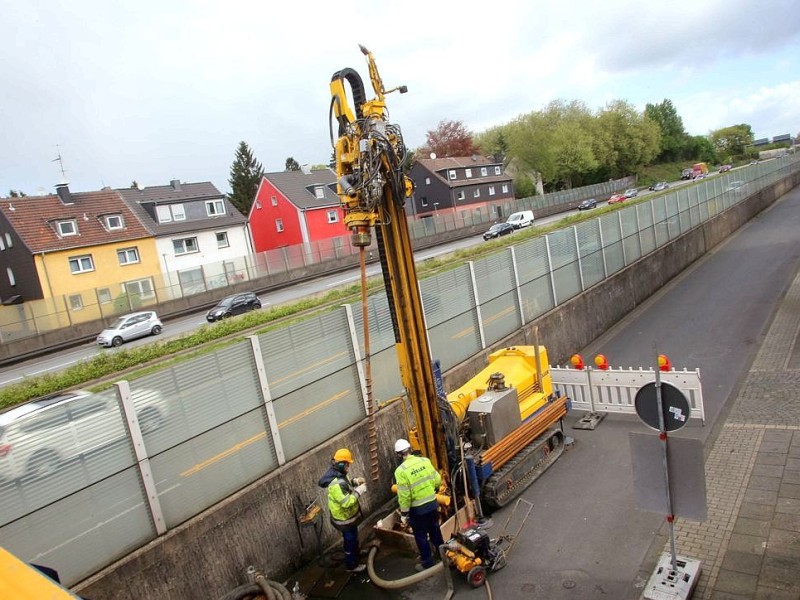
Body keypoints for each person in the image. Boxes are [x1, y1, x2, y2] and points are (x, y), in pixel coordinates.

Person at [393, 438, 445, 570]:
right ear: (410, 449)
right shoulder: (425, 461)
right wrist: (433, 490)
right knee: (435, 530)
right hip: (432, 504)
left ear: (399, 454)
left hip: (417, 510)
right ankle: (443, 555)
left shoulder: (400, 471)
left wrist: (404, 513)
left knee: (421, 536)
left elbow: (404, 496)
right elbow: (437, 479)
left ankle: (428, 562)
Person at [318, 448, 368, 573]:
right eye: (347, 464)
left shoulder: (339, 474)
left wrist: (354, 482)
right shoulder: (336, 483)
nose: (348, 467)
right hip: (344, 520)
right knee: (350, 540)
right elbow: (346, 502)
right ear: (340, 464)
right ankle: (351, 566)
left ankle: (356, 553)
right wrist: (358, 491)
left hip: (348, 518)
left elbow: (345, 485)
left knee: (353, 537)